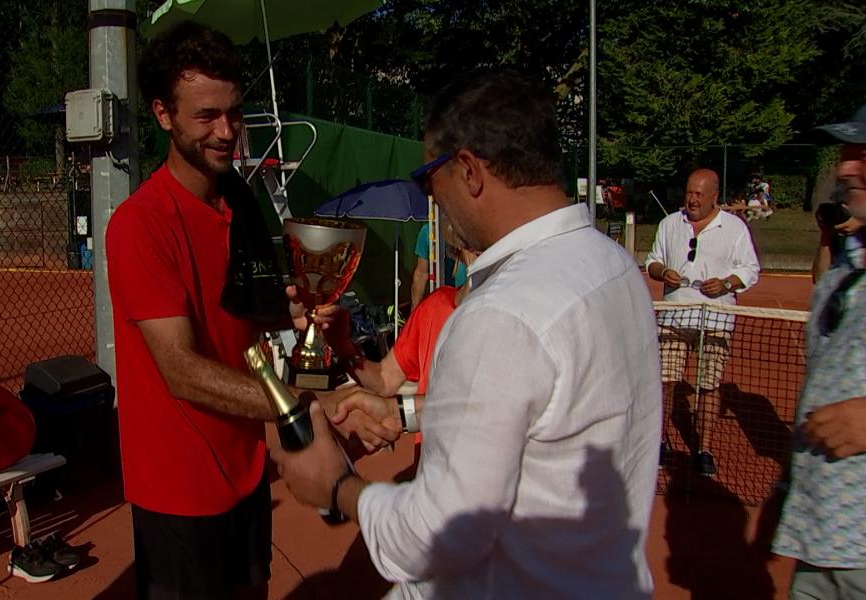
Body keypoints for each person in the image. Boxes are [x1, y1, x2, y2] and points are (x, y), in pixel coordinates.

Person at [271, 69, 662, 598]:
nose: (434, 198)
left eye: (428, 178)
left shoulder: (500, 313)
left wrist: (337, 488)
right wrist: (402, 410)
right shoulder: (614, 265)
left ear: (470, 171)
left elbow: (435, 537)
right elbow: (546, 414)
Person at [104, 23, 366, 599]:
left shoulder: (239, 204)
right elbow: (181, 368)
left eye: (233, 112)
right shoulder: (139, 225)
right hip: (179, 489)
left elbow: (246, 310)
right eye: (206, 116)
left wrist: (301, 313)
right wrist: (302, 406)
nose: (227, 131)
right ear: (163, 115)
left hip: (245, 470)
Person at [772, 103, 866, 598]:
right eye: (847, 153)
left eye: (863, 154)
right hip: (822, 539)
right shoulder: (848, 264)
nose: (845, 166)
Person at [645, 168, 760, 476]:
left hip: (716, 318)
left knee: (709, 385)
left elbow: (750, 269)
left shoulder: (734, 228)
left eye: (699, 194)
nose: (692, 200)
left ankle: (704, 448)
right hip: (674, 315)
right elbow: (652, 261)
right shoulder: (670, 223)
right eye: (689, 193)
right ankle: (660, 440)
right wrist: (662, 272)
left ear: (714, 197)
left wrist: (726, 283)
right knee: (665, 382)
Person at [332, 227, 479, 465]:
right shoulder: (434, 306)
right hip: (431, 476)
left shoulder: (519, 319)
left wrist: (397, 413)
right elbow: (384, 379)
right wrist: (340, 345)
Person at [409, 222, 467, 309]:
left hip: (467, 303)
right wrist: (414, 314)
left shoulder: (469, 231)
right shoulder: (428, 231)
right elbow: (421, 274)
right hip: (440, 306)